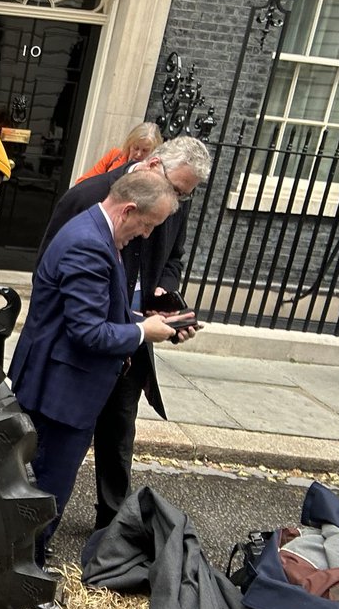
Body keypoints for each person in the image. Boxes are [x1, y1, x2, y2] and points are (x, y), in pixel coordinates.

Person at [11, 170, 190, 568]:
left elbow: (97, 308)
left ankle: (21, 559)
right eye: (147, 224)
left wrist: (152, 322)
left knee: (40, 485)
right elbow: (88, 332)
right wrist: (143, 332)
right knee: (49, 488)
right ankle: (25, 570)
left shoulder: (93, 229)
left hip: (60, 381)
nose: (146, 235)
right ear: (128, 210)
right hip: (60, 389)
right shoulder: (89, 245)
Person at [39, 135, 212, 531]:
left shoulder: (172, 205)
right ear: (153, 166)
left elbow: (173, 259)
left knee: (118, 433)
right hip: (88, 342)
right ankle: (35, 531)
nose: (178, 202)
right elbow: (51, 268)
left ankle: (110, 527)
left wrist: (162, 298)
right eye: (176, 190)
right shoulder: (90, 197)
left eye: (184, 196)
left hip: (132, 332)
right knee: (62, 442)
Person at [75, 121, 162, 183]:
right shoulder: (115, 155)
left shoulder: (152, 175)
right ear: (129, 144)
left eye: (145, 150)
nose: (139, 154)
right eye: (136, 148)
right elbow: (82, 182)